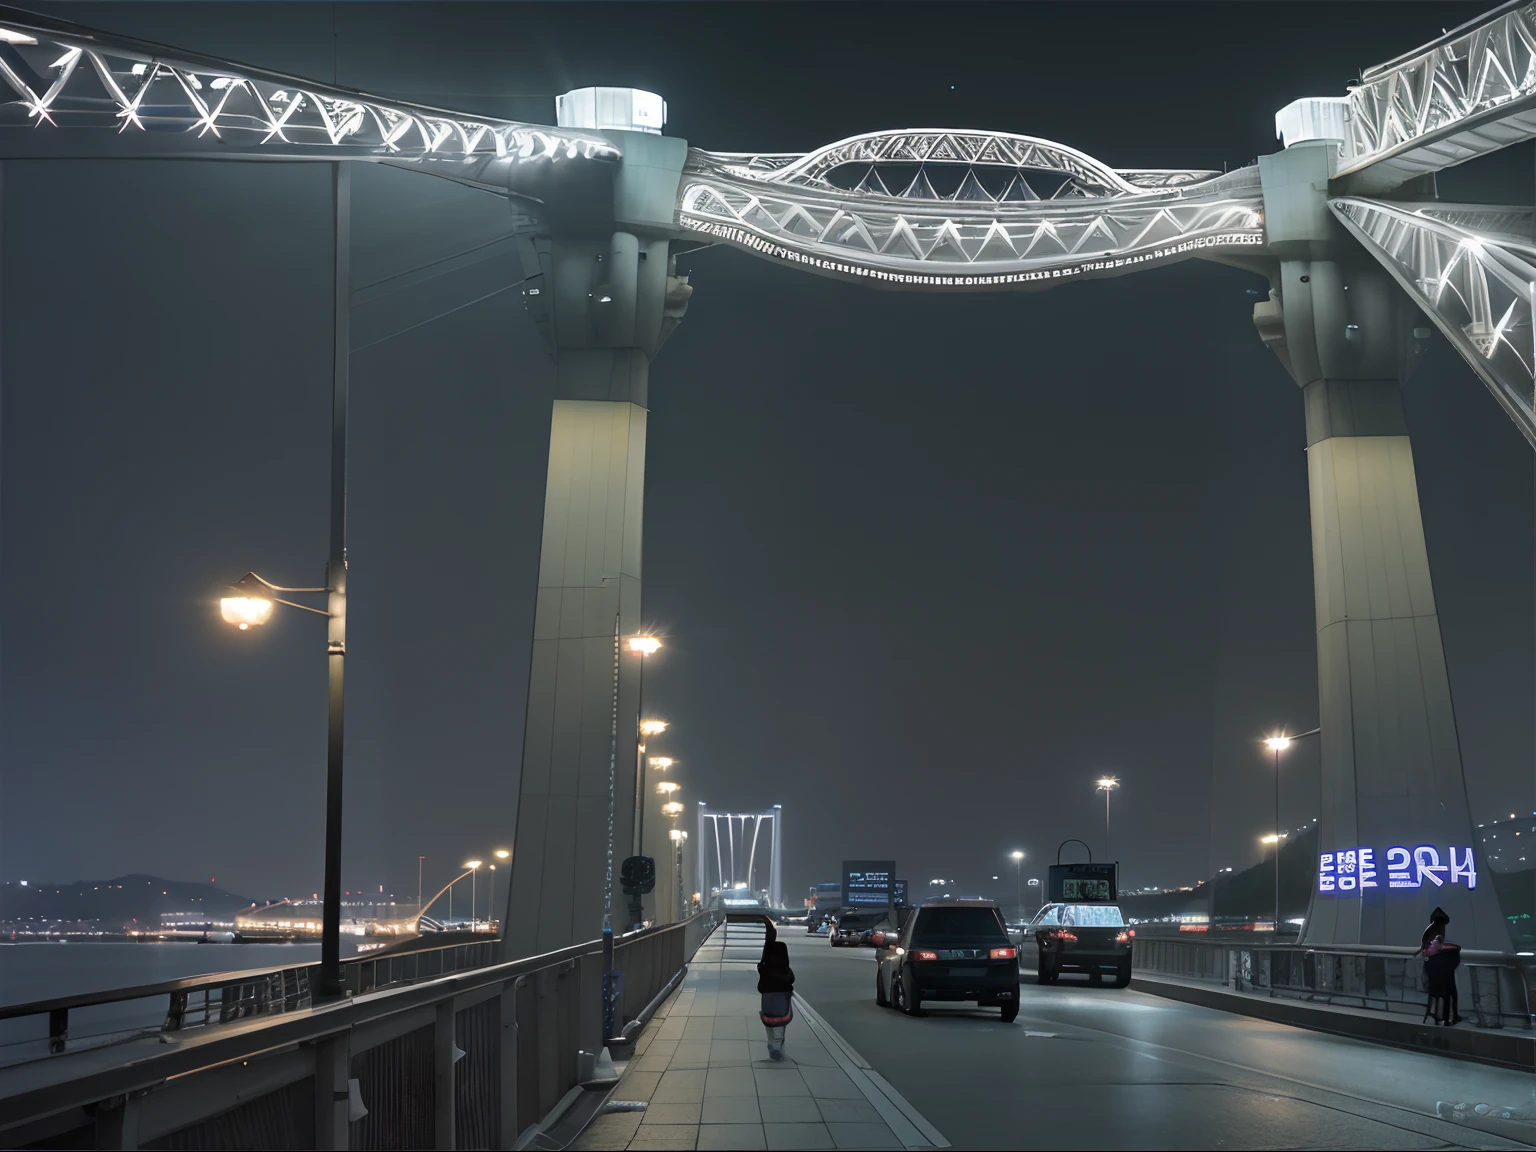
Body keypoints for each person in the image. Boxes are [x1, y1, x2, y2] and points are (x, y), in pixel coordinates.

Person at [1416, 907, 1463, 1026]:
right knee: (1450, 992)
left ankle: (1441, 1016)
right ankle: (1449, 1017)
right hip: (1440, 970)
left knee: (1446, 992)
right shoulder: (1437, 936)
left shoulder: (1428, 932)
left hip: (1433, 970)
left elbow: (1426, 950)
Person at [757, 918, 796, 1060]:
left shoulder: (765, 968)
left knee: (770, 1026)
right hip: (781, 998)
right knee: (780, 1025)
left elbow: (760, 987)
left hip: (767, 998)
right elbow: (790, 980)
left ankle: (773, 1047)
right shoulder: (785, 972)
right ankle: (777, 1048)